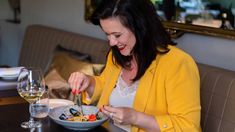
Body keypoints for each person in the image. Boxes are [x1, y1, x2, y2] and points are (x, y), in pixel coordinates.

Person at [68, 0, 201, 131]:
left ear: (140, 27)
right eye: (107, 35)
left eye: (117, 35)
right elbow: (105, 86)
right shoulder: (117, 55)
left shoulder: (178, 63)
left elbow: (188, 127)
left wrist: (135, 118)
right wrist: (88, 82)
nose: (112, 42)